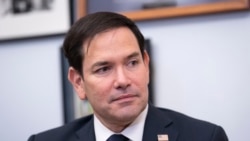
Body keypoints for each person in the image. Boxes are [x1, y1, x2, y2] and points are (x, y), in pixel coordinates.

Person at [28, 12, 228, 141]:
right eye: (104, 69)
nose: (123, 81)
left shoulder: (205, 137)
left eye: (132, 63)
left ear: (146, 65)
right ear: (79, 82)